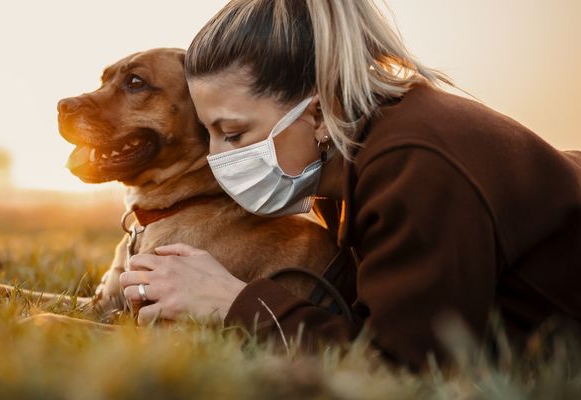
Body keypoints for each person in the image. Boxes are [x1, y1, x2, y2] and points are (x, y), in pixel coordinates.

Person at [119, 0, 581, 370]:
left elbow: (406, 370)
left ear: (318, 112)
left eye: (235, 134)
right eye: (210, 134)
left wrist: (233, 301)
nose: (218, 159)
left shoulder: (414, 165)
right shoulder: (352, 158)